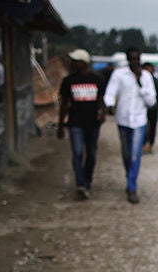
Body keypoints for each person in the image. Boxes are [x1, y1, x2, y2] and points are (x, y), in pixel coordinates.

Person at [103, 47, 157, 204]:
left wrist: (141, 84)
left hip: (139, 121)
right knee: (126, 154)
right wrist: (110, 105)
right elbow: (110, 93)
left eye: (137, 59)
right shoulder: (119, 75)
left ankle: (132, 187)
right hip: (123, 119)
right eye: (132, 59)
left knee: (135, 154)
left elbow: (152, 101)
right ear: (128, 59)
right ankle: (130, 177)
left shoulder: (146, 77)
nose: (135, 62)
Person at [57, 48, 105, 200]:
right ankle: (80, 184)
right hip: (75, 123)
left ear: (82, 63)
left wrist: (102, 113)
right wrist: (60, 125)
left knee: (91, 154)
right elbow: (64, 105)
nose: (71, 63)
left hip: (92, 124)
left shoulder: (96, 80)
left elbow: (101, 101)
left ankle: (87, 181)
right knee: (77, 153)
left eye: (74, 61)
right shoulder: (68, 81)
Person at [142, 62, 158, 154]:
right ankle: (143, 144)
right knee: (143, 126)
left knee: (152, 127)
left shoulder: (155, 80)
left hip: (153, 108)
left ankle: (150, 144)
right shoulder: (141, 80)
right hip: (143, 108)